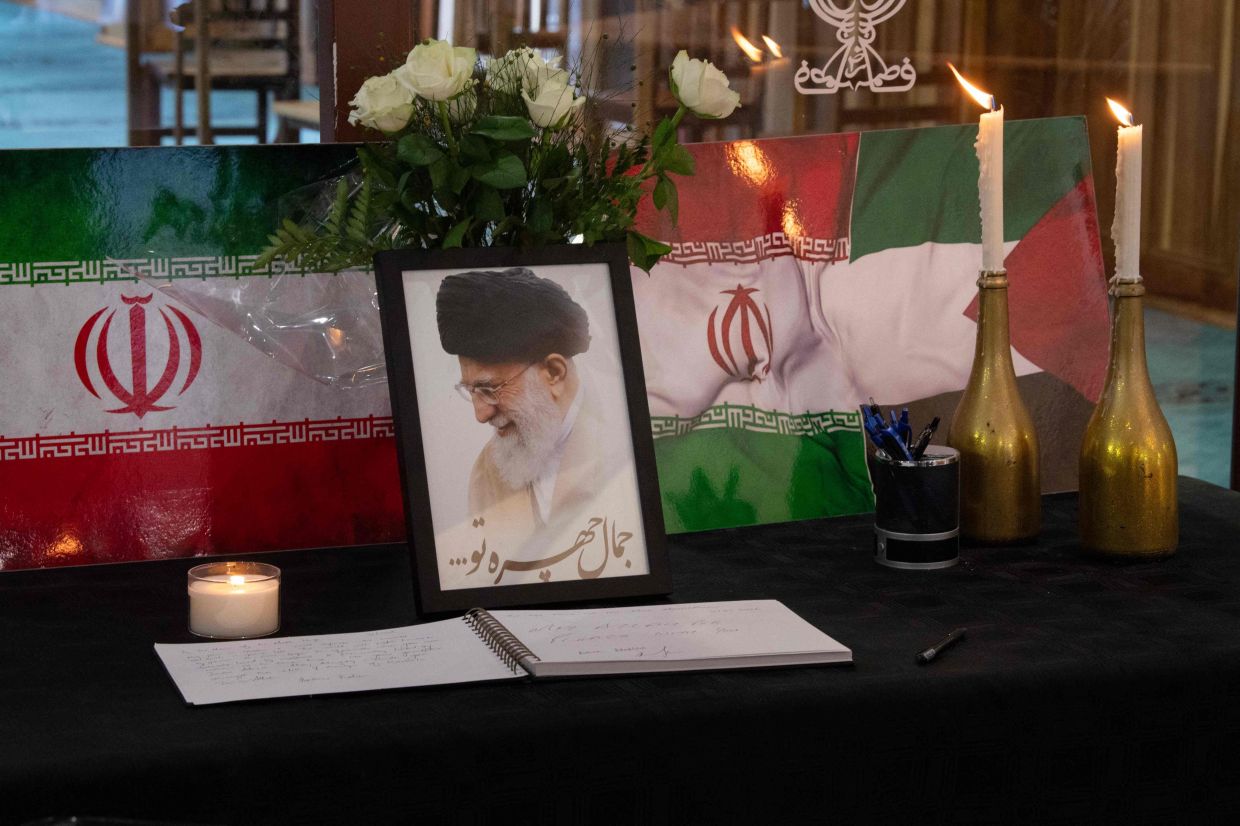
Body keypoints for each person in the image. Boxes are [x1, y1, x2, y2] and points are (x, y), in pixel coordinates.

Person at [435, 267, 606, 561]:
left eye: (490, 388)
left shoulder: (622, 443)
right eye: (471, 390)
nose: (480, 414)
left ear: (553, 372)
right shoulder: (487, 471)